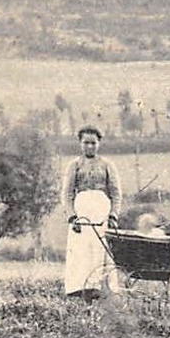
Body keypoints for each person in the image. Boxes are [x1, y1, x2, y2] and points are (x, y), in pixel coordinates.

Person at [62, 126, 121, 299]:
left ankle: (101, 287)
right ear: (80, 144)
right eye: (86, 143)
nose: (90, 147)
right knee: (81, 249)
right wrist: (72, 216)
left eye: (93, 143)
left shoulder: (107, 165)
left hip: (102, 209)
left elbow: (116, 193)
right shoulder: (74, 165)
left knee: (101, 247)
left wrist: (113, 215)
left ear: (98, 144)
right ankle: (80, 288)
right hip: (82, 211)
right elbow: (67, 193)